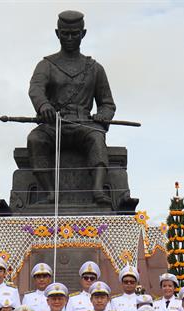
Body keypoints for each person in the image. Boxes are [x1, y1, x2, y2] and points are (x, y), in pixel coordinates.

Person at [27, 10, 116, 205]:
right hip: (54, 124)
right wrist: (43, 105)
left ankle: (98, 191)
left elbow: (107, 103)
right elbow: (36, 89)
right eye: (65, 33)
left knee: (97, 137)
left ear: (83, 34)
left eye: (74, 33)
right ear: (57, 33)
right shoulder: (46, 65)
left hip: (84, 124)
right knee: (35, 139)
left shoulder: (94, 68)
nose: (69, 38)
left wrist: (102, 116)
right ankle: (50, 193)